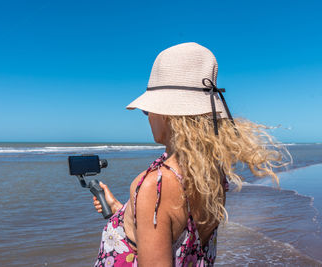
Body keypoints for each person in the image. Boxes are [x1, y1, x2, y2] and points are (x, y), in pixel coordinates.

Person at [92, 42, 291, 267]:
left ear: (167, 114)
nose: (147, 117)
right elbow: (179, 238)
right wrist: (121, 210)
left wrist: (142, 202)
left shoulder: (153, 187)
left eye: (147, 110)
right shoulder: (212, 172)